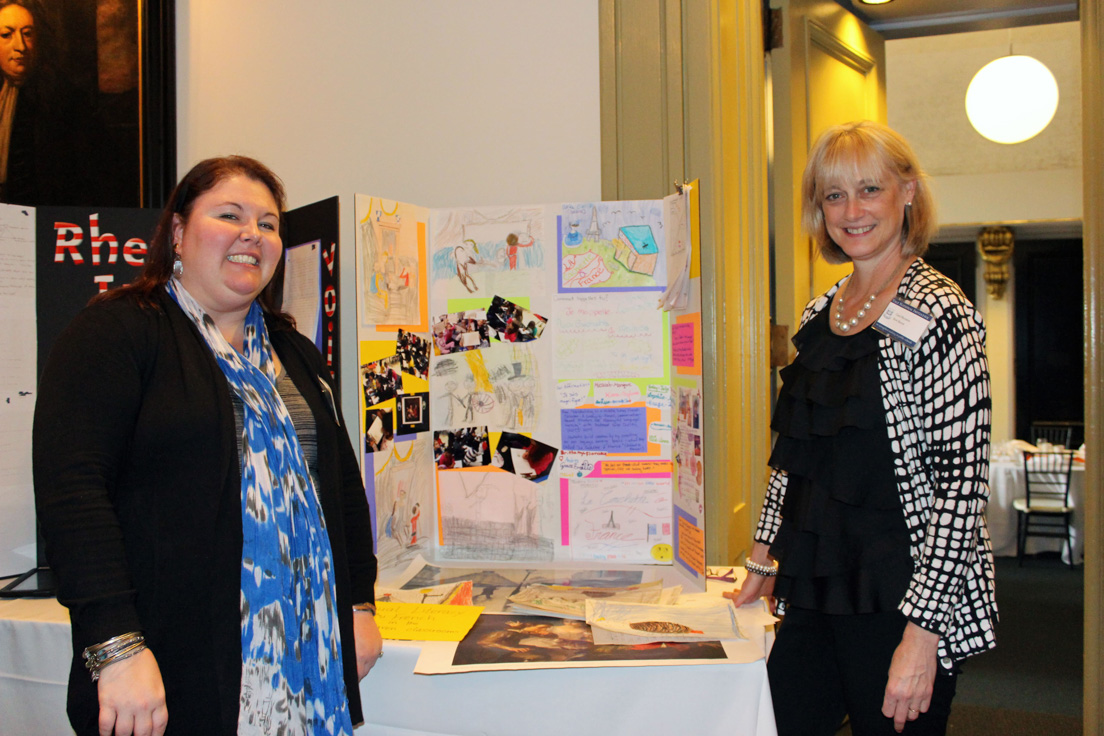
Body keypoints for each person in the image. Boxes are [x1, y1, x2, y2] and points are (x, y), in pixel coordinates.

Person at [33, 156, 382, 736]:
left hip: (303, 655)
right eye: (230, 215)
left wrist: (359, 605)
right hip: (170, 660)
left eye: (269, 223)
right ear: (177, 232)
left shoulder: (293, 352)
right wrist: (116, 646)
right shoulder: (117, 332)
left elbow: (341, 486)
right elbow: (74, 497)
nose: (253, 234)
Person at [725, 121, 997, 736]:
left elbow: (962, 487)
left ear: (907, 192)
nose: (852, 212)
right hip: (818, 578)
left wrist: (922, 635)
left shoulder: (941, 311)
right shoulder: (823, 311)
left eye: (869, 189)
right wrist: (766, 557)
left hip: (902, 590)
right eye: (833, 195)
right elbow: (796, 458)